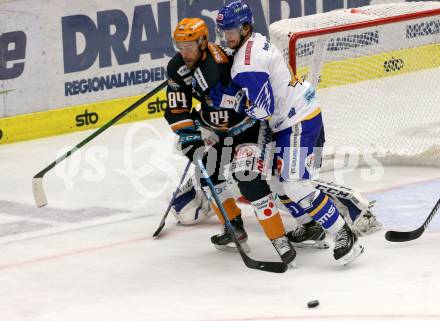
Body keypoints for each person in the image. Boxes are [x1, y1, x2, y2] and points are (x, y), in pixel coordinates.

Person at [211, 1, 364, 265]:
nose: (227, 36)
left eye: (231, 30)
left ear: (246, 27)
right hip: (298, 115)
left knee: (294, 183)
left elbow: (263, 109)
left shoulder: (248, 61)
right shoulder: (254, 43)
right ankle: (310, 227)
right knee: (278, 182)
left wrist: (232, 101)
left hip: (298, 121)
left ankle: (343, 232)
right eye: (224, 31)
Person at [164, 17, 296, 264]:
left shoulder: (222, 63)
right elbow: (177, 110)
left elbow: (254, 96)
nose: (184, 53)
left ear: (203, 42)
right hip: (217, 131)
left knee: (250, 180)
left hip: (248, 129)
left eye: (189, 46)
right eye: (179, 47)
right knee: (208, 176)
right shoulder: (178, 66)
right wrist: (192, 140)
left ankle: (280, 239)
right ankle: (233, 227)